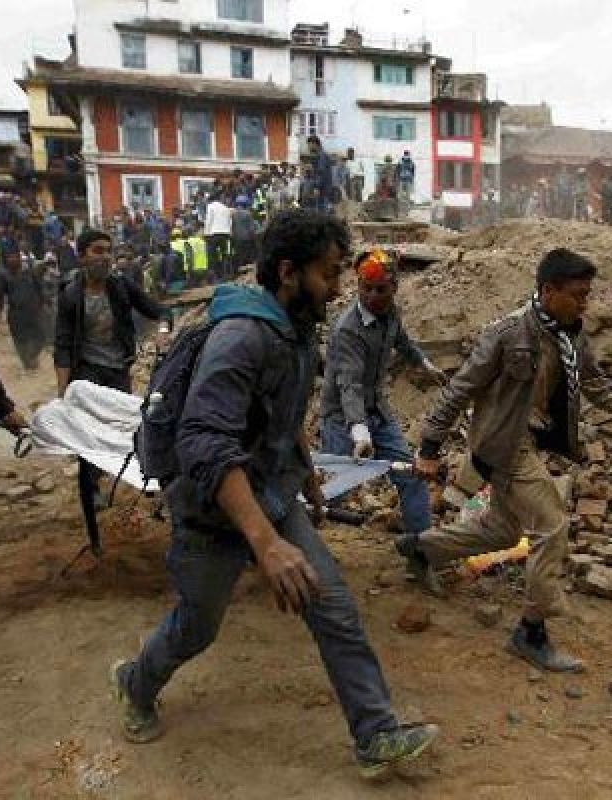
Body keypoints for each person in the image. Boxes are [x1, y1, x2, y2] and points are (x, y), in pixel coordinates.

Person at [109, 209, 439, 776]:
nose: (338, 289)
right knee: (198, 626)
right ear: (289, 271)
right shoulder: (242, 337)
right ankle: (135, 683)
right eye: (330, 274)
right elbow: (206, 442)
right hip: (213, 510)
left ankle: (376, 734)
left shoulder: (295, 330)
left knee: (334, 608)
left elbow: (275, 419)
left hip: (271, 495)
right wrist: (266, 545)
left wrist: (304, 470)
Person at [396, 249, 612, 672]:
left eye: (587, 295)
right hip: (503, 444)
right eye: (577, 295)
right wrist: (429, 448)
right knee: (551, 523)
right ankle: (531, 631)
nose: (585, 304)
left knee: (501, 530)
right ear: (548, 291)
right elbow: (459, 390)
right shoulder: (507, 334)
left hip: (529, 440)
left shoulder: (571, 336)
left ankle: (420, 549)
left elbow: (596, 384)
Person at [319, 249, 447, 543]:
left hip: (377, 410)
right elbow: (348, 384)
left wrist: (423, 364)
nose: (373, 296)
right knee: (337, 490)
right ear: (358, 285)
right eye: (366, 288)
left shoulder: (391, 314)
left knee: (411, 476)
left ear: (394, 288)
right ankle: (294, 536)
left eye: (381, 290)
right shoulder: (347, 330)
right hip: (342, 417)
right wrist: (359, 431)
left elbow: (402, 341)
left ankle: (422, 550)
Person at [54, 229, 165, 552]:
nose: (104, 256)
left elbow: (158, 310)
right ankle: (91, 489)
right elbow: (62, 344)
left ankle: (130, 476)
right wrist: (64, 393)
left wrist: (162, 330)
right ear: (82, 256)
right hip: (86, 372)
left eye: (108, 250)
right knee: (89, 435)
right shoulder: (71, 295)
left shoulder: (120, 286)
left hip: (118, 368)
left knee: (122, 428)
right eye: (97, 250)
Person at [0, 244, 47, 372]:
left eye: (15, 256)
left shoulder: (30, 272)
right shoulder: (4, 276)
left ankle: (32, 355)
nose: (12, 259)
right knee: (19, 339)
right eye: (9, 257)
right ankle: (27, 363)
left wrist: (43, 303)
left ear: (19, 257)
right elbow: (0, 295)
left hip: (33, 311)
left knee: (41, 336)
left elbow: (39, 288)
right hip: (16, 313)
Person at [203, 194, 233, 282]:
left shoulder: (210, 206)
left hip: (214, 233)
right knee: (224, 254)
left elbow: (209, 220)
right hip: (225, 234)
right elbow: (229, 221)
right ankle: (225, 274)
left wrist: (206, 233)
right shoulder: (225, 208)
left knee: (212, 255)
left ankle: (215, 276)